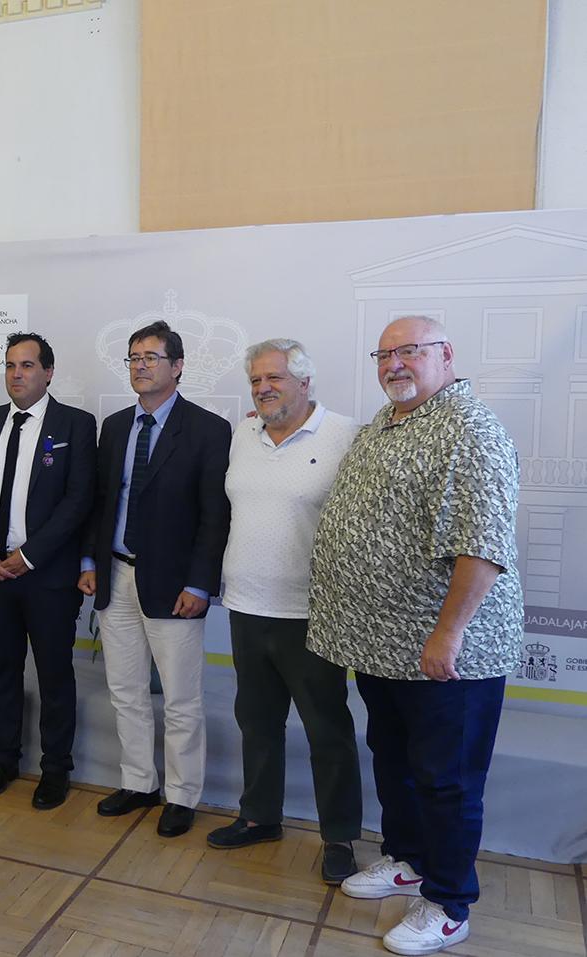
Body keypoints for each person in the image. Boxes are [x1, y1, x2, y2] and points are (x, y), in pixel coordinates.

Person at [308, 316, 522, 956]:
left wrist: (447, 635)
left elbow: (483, 547)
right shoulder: (387, 422)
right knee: (395, 760)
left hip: (446, 652)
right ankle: (409, 859)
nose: (394, 364)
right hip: (382, 645)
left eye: (409, 351)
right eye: (384, 354)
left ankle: (450, 902)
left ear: (445, 354)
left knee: (446, 779)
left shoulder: (471, 429)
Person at [207, 338, 362, 885]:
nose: (263, 388)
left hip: (311, 614)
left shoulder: (345, 435)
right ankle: (259, 816)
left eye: (274, 378)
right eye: (255, 380)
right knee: (256, 722)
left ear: (305, 381)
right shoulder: (243, 433)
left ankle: (339, 836)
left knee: (327, 730)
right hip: (246, 605)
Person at [78, 319, 231, 838]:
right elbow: (101, 501)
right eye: (134, 358)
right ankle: (139, 782)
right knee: (126, 692)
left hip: (175, 585)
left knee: (182, 700)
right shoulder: (116, 426)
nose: (141, 366)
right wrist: (89, 562)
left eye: (151, 357)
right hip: (116, 575)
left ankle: (182, 795)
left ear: (178, 366)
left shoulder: (208, 429)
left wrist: (200, 584)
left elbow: (214, 516)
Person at [0, 333, 95, 809]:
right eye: (11, 365)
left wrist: (31, 554)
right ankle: (4, 758)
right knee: (3, 671)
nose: (17, 374)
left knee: (54, 675)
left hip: (47, 575)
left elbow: (79, 499)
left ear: (48, 373)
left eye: (28, 365)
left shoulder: (75, 424)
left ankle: (55, 769)